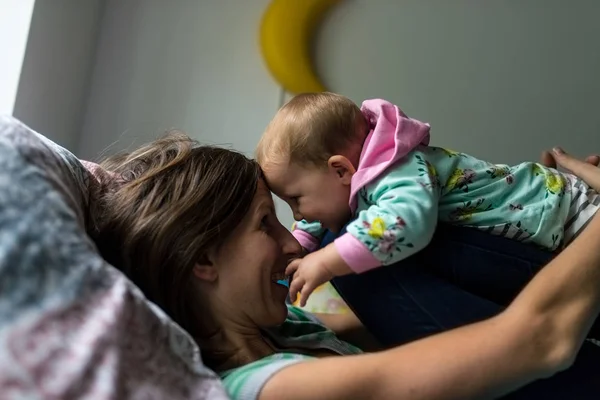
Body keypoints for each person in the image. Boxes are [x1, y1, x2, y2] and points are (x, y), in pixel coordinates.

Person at [85, 131, 600, 399]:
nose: (292, 245)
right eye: (266, 223)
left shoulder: (288, 330)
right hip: (550, 360)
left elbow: (401, 313)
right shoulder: (266, 388)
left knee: (360, 236)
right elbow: (541, 339)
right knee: (348, 242)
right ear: (202, 259)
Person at [254, 92, 600, 306]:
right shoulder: (357, 178)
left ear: (341, 171)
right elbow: (316, 219)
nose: (297, 213)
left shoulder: (399, 171)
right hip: (552, 222)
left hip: (566, 211)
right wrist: (300, 247)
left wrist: (327, 260)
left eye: (295, 199)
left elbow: (405, 223)